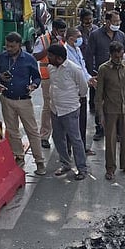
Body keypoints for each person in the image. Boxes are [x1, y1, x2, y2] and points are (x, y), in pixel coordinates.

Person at [0, 32, 46, 175]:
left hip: (24, 100)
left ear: (19, 45)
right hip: (6, 98)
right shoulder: (2, 57)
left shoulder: (29, 59)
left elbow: (36, 78)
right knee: (12, 130)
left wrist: (33, 86)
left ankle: (39, 161)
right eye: (7, 46)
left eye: (12, 46)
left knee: (32, 131)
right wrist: (0, 77)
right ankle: (18, 156)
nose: (8, 49)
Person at [95, 41, 125, 181]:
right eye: (116, 57)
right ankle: (110, 168)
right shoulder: (104, 69)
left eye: (120, 56)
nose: (119, 59)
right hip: (110, 109)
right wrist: (100, 114)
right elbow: (99, 93)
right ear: (111, 55)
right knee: (111, 140)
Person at [46, 44, 88, 180]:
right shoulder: (51, 68)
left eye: (50, 56)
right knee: (58, 138)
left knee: (75, 139)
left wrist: (78, 100)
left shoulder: (74, 69)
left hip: (70, 110)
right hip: (55, 109)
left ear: (59, 58)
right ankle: (65, 164)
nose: (48, 58)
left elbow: (83, 88)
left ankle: (82, 168)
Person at [86, 12, 125, 142]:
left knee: (116, 101)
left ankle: (117, 131)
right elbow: (89, 54)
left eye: (118, 22)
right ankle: (100, 129)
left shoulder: (121, 36)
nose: (117, 24)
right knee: (99, 101)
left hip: (117, 75)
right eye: (115, 22)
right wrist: (91, 73)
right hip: (100, 74)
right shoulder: (95, 35)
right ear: (107, 22)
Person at [33, 20, 68, 149]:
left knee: (62, 104)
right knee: (48, 106)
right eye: (60, 31)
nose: (62, 34)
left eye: (64, 31)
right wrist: (49, 50)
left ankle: (61, 135)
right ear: (54, 29)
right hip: (47, 77)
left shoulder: (64, 40)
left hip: (62, 77)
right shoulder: (43, 39)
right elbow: (35, 56)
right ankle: (44, 136)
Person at [63, 27, 93, 155]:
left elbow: (83, 68)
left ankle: (82, 146)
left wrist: (90, 79)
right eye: (78, 36)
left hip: (81, 90)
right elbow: (74, 71)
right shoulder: (65, 52)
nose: (81, 39)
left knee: (82, 120)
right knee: (71, 123)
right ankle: (69, 149)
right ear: (71, 39)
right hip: (71, 91)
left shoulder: (77, 49)